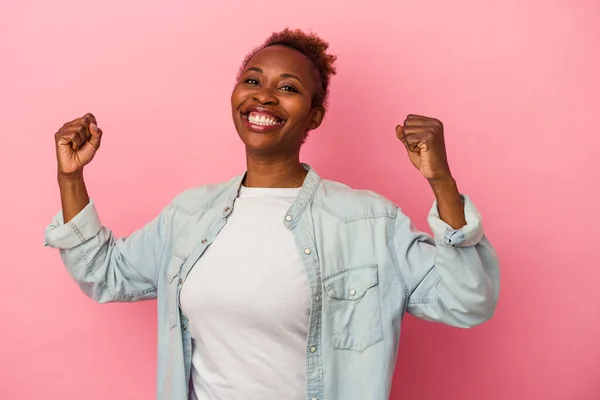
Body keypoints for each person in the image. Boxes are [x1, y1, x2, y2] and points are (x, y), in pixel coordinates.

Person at [44, 28, 500, 400]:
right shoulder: (188, 215)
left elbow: (467, 302)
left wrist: (441, 181)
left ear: (315, 116)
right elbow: (107, 275)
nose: (264, 97)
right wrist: (70, 178)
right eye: (253, 80)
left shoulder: (368, 222)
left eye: (288, 88)